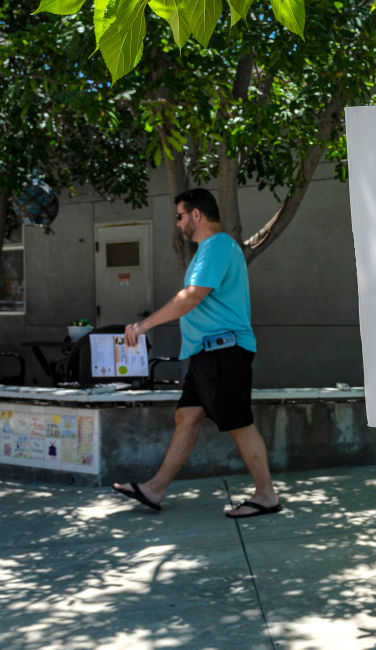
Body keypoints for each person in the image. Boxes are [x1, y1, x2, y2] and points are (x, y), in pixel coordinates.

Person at [113, 188, 281, 518]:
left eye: (180, 216)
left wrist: (144, 325)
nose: (177, 224)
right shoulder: (208, 250)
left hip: (223, 351)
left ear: (196, 215)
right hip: (207, 354)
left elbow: (191, 297)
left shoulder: (217, 246)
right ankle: (154, 489)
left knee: (239, 423)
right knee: (186, 416)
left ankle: (266, 495)